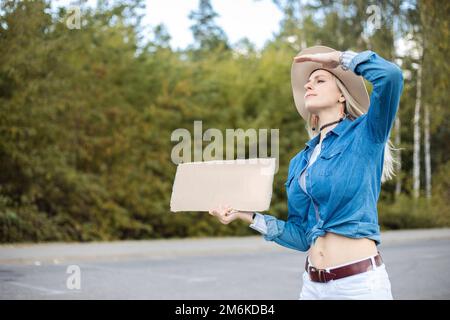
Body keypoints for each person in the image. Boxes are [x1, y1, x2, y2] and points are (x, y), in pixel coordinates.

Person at [208, 45, 404, 300]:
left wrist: (338, 59)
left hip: (358, 286)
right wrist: (245, 215)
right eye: (307, 84)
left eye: (320, 80)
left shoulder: (366, 134)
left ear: (342, 96)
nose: (308, 86)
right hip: (312, 287)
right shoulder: (299, 162)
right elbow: (302, 236)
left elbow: (391, 76)